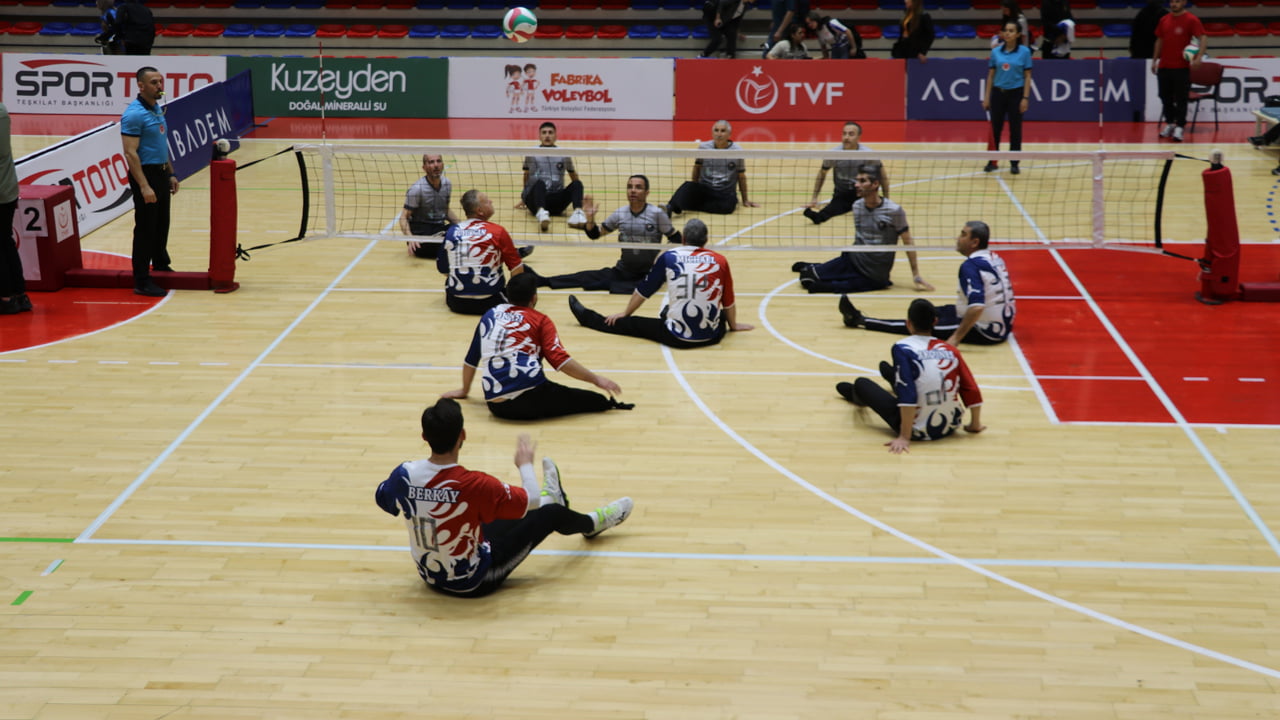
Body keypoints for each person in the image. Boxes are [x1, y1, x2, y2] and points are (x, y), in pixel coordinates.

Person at [375, 398, 634, 598]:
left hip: (429, 575)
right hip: (474, 580)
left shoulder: (404, 474)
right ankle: (593, 523)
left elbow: (382, 497)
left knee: (497, 511)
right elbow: (529, 500)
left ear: (424, 437)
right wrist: (524, 464)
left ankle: (553, 496)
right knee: (548, 512)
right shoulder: (473, 483)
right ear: (462, 435)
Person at [441, 273, 634, 420]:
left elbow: (472, 357)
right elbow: (560, 360)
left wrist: (464, 390)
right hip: (528, 400)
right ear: (534, 297)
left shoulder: (490, 314)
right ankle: (610, 404)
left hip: (495, 406)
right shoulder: (541, 320)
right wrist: (596, 379)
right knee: (592, 400)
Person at [567, 219, 754, 349]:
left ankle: (588, 318)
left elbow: (645, 289)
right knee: (719, 313)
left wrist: (625, 314)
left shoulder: (670, 256)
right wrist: (734, 325)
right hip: (710, 338)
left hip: (675, 337)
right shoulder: (720, 260)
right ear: (705, 241)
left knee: (633, 325)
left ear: (683, 240)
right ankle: (673, 316)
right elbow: (728, 299)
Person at [835, 299, 986, 454]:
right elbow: (970, 388)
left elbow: (908, 394)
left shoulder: (903, 348)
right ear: (935, 322)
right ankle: (890, 375)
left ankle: (857, 395)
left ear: (908, 323)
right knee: (894, 371)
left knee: (862, 383)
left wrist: (904, 436)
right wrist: (975, 424)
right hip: (951, 425)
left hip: (918, 429)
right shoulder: (950, 349)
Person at [839, 221, 1015, 345]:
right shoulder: (995, 257)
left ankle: (860, 320)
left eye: (963, 235)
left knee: (921, 325)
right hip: (1002, 324)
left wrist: (955, 339)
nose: (958, 238)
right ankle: (911, 319)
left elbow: (977, 307)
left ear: (974, 242)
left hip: (986, 331)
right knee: (930, 311)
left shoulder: (970, 266)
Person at [790, 164, 933, 295]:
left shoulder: (894, 211)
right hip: (853, 260)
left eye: (862, 181)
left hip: (875, 273)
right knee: (807, 278)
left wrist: (916, 275)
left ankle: (826, 273)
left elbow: (908, 243)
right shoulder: (857, 206)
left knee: (814, 285)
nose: (856, 185)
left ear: (875, 184)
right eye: (857, 180)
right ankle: (819, 267)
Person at [536, 174, 681, 295]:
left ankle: (613, 285)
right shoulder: (620, 213)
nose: (633, 191)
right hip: (624, 270)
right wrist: (590, 220)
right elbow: (595, 235)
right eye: (630, 187)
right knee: (585, 277)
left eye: (638, 187)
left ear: (647, 192)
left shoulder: (656, 214)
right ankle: (544, 281)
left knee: (627, 287)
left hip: (648, 274)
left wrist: (661, 257)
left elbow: (676, 238)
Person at [121, 65, 176, 298]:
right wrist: (144, 185)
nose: (159, 86)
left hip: (161, 173)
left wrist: (171, 172)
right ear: (141, 85)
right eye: (154, 82)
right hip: (147, 175)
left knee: (162, 222)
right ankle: (142, 280)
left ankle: (161, 263)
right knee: (145, 228)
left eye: (161, 81)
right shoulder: (134, 114)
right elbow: (130, 153)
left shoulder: (156, 108)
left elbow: (162, 142)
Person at [438, 189, 526, 315]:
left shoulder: (452, 231)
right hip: (491, 302)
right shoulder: (498, 231)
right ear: (480, 211)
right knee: (525, 276)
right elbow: (517, 269)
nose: (491, 201)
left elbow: (443, 269)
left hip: (456, 303)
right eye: (487, 201)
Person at [666, 120, 759, 216]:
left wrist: (745, 200)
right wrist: (695, 188)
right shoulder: (704, 147)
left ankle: (690, 204)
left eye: (723, 131)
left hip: (725, 193)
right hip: (706, 189)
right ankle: (669, 208)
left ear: (729, 134)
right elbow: (697, 168)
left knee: (728, 208)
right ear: (712, 133)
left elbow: (741, 176)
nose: (719, 134)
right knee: (688, 186)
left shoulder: (737, 151)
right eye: (716, 130)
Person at [804, 121, 887, 225]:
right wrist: (814, 198)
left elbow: (882, 175)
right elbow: (822, 173)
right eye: (844, 134)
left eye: (851, 134)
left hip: (863, 193)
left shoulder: (868, 154)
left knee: (880, 213)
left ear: (859, 137)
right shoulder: (833, 154)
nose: (846, 137)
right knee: (823, 216)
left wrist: (887, 198)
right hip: (842, 194)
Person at [982, 20, 1034, 175]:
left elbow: (1027, 76)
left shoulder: (1024, 52)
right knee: (995, 129)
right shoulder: (996, 52)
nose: (1008, 33)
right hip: (998, 93)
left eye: (1011, 31)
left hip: (1016, 94)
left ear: (1018, 34)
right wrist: (986, 97)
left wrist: (1025, 98)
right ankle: (992, 161)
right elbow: (991, 76)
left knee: (1015, 129)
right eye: (1005, 30)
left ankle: (1014, 162)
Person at [516, 122, 587, 233]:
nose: (547, 135)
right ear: (539, 136)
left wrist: (578, 196)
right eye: (544, 133)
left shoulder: (563, 154)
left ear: (556, 136)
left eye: (550, 133)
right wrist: (524, 197)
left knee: (577, 184)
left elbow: (573, 176)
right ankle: (541, 213)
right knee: (539, 183)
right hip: (535, 201)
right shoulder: (531, 153)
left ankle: (578, 213)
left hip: (556, 202)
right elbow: (526, 175)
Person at [1152, 0, 1206, 143]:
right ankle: (1170, 123)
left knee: (1181, 99)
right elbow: (1159, 40)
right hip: (1164, 66)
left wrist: (1199, 57)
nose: (1173, 4)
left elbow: (1203, 37)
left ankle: (1180, 127)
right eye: (1172, 1)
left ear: (1183, 2)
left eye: (1177, 1)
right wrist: (1154, 60)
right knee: (1164, 96)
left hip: (1181, 68)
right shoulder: (1164, 20)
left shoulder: (1191, 19)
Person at [398, 153, 458, 260]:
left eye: (438, 161)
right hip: (421, 234)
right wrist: (410, 238)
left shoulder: (447, 184)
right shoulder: (417, 189)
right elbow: (403, 217)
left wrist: (463, 225)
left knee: (461, 233)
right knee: (454, 238)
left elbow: (445, 209)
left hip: (439, 229)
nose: (436, 165)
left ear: (443, 164)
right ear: (424, 167)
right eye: (431, 162)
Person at [0, 101, 29, 316]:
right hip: (7, 188)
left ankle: (6, 298)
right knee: (5, 241)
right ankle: (20, 294)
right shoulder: (2, 109)